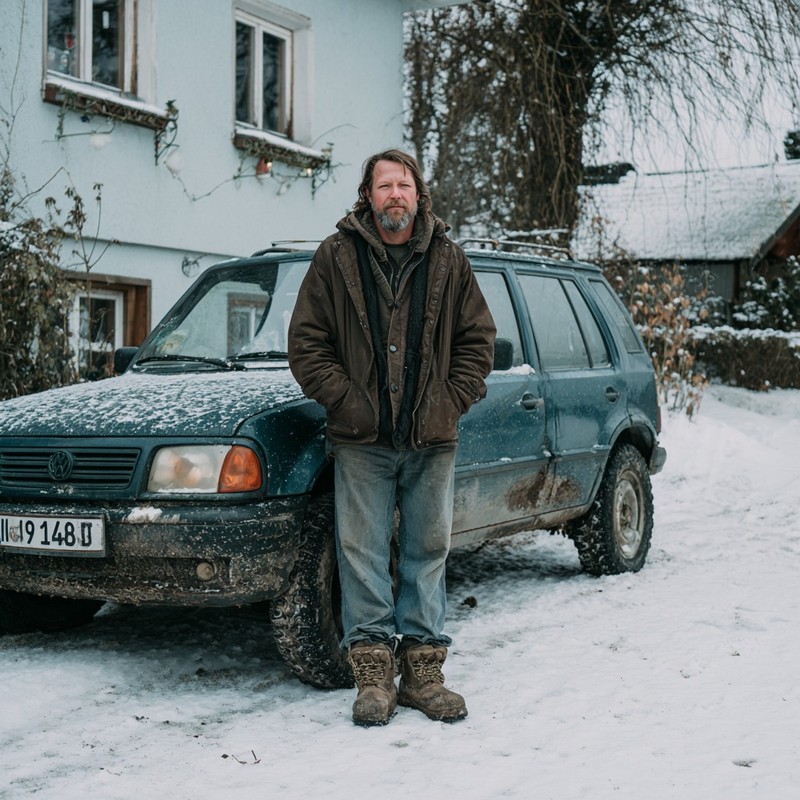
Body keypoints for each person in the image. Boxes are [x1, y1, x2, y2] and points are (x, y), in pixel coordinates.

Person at [288, 149, 495, 726]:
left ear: (418, 193)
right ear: (369, 195)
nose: (395, 194)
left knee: (428, 552)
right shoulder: (336, 257)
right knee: (362, 555)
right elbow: (307, 343)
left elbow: (479, 341)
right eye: (385, 185)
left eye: (404, 184)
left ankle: (424, 677)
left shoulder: (450, 259)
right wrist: (350, 403)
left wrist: (449, 401)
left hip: (432, 439)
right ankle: (374, 678)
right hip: (361, 441)